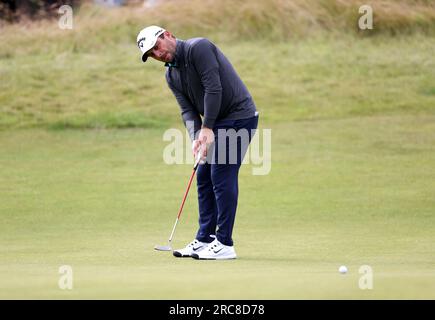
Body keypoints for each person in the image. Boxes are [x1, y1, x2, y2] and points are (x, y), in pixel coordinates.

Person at [137, 26, 258, 260]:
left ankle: (225, 243)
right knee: (203, 176)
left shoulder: (198, 48)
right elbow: (187, 110)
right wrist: (196, 138)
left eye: (157, 47)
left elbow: (214, 88)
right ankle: (205, 239)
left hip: (238, 116)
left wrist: (208, 127)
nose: (157, 54)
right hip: (215, 123)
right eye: (151, 54)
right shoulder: (171, 75)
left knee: (221, 175)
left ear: (168, 35)